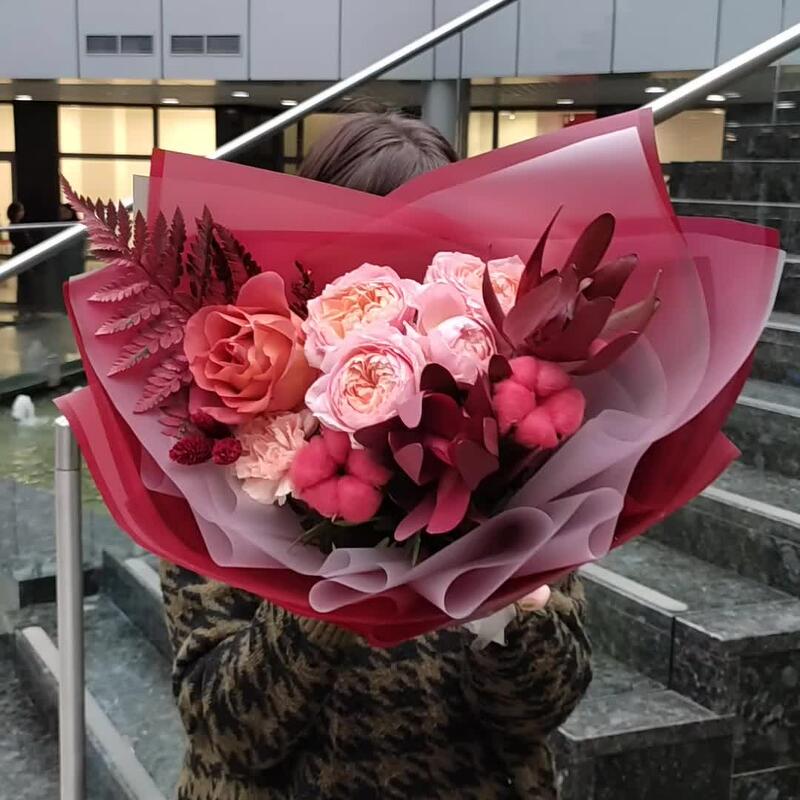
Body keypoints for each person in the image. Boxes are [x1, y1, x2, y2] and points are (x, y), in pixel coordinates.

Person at [160, 112, 593, 800]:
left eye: (417, 260)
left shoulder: (509, 444)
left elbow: (542, 710)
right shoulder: (232, 444)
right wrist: (330, 569)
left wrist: (511, 604)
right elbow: (224, 731)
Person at [7, 201, 36, 314]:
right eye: (21, 210)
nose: (22, 213)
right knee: (27, 283)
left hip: (21, 255)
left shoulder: (14, 225)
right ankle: (26, 307)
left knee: (24, 283)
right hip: (23, 256)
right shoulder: (17, 226)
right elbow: (25, 242)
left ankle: (24, 307)